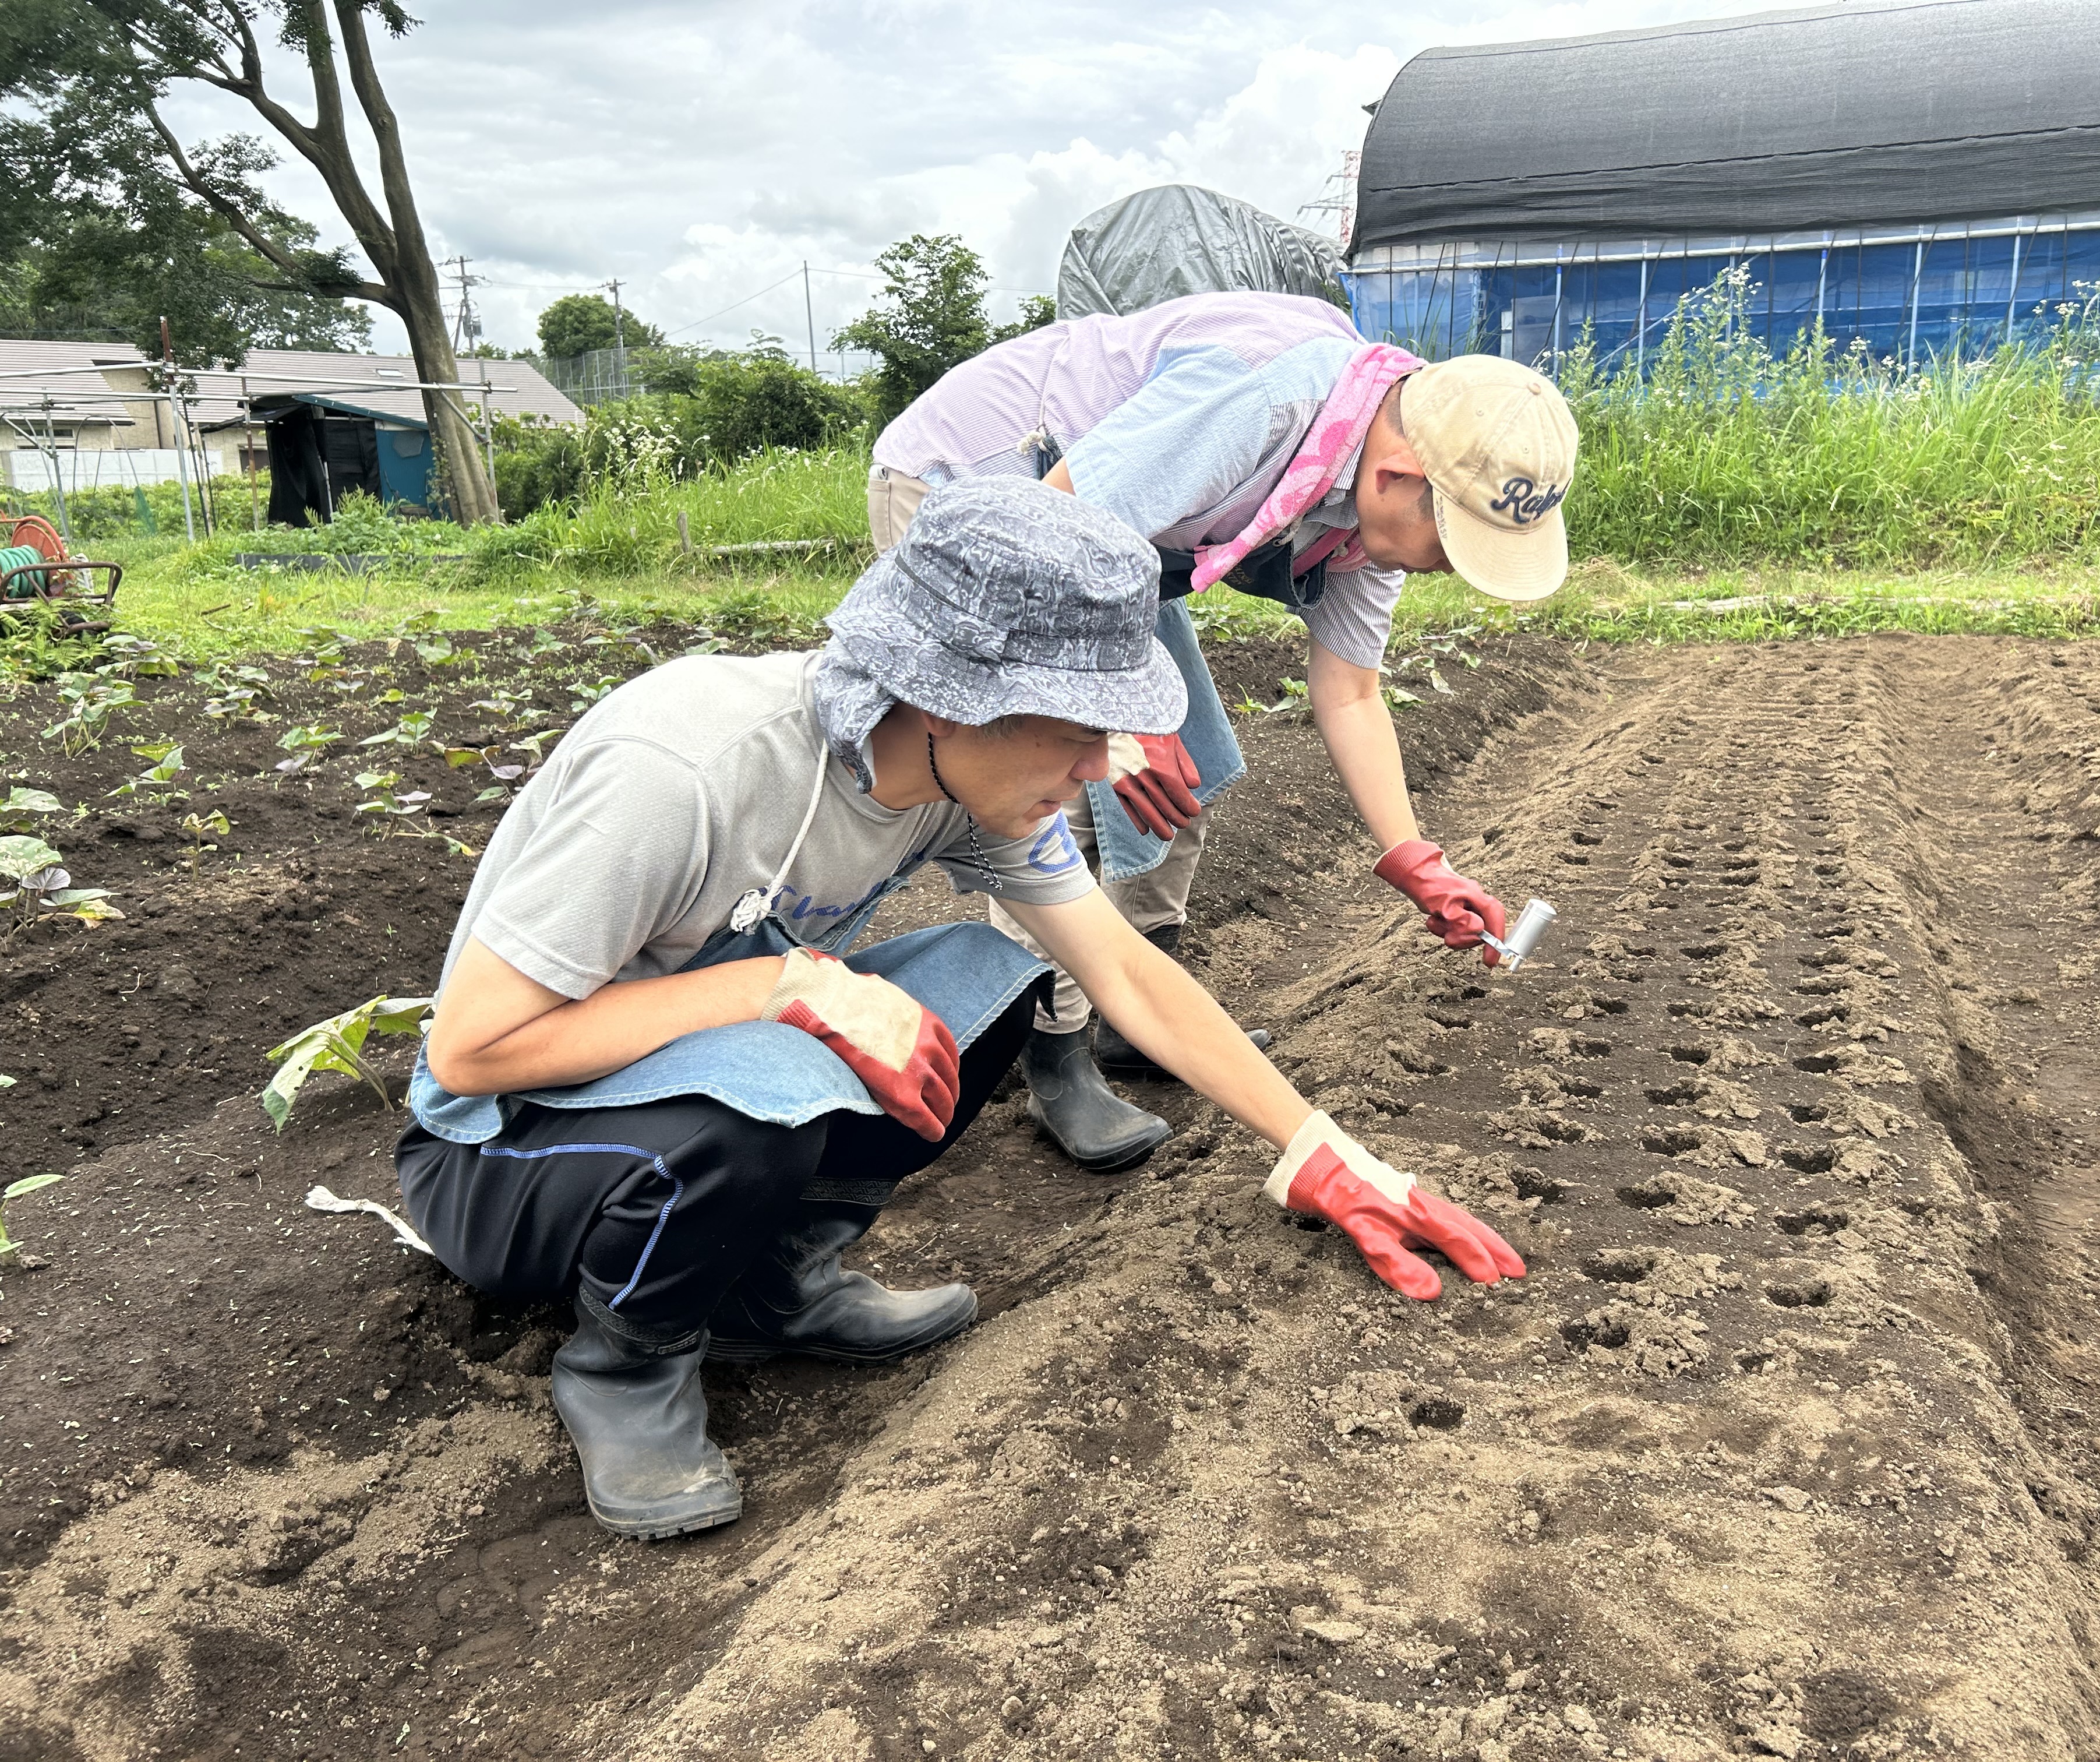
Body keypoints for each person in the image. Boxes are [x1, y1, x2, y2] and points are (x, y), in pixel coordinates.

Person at [395, 478, 1526, 1542]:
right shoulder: (689, 767)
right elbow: (475, 1047)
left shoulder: (964, 783)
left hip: (678, 1082)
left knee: (999, 988)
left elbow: (1125, 973)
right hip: (507, 1152)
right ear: (947, 691)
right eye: (1076, 724)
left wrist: (1325, 1152)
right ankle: (629, 1362)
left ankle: (775, 1285)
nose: (1102, 763)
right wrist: (782, 986)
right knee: (767, 1086)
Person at [870, 291, 1579, 1174]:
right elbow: (1053, 540)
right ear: (1399, 477)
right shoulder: (1267, 399)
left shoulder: (1368, 511)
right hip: (991, 496)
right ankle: (1055, 1055)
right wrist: (1116, 730)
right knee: (1049, 801)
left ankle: (1141, 1022)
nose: (1446, 567)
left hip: (1121, 537)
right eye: (1452, 541)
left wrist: (1415, 859)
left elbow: (1351, 694)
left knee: (1183, 767)